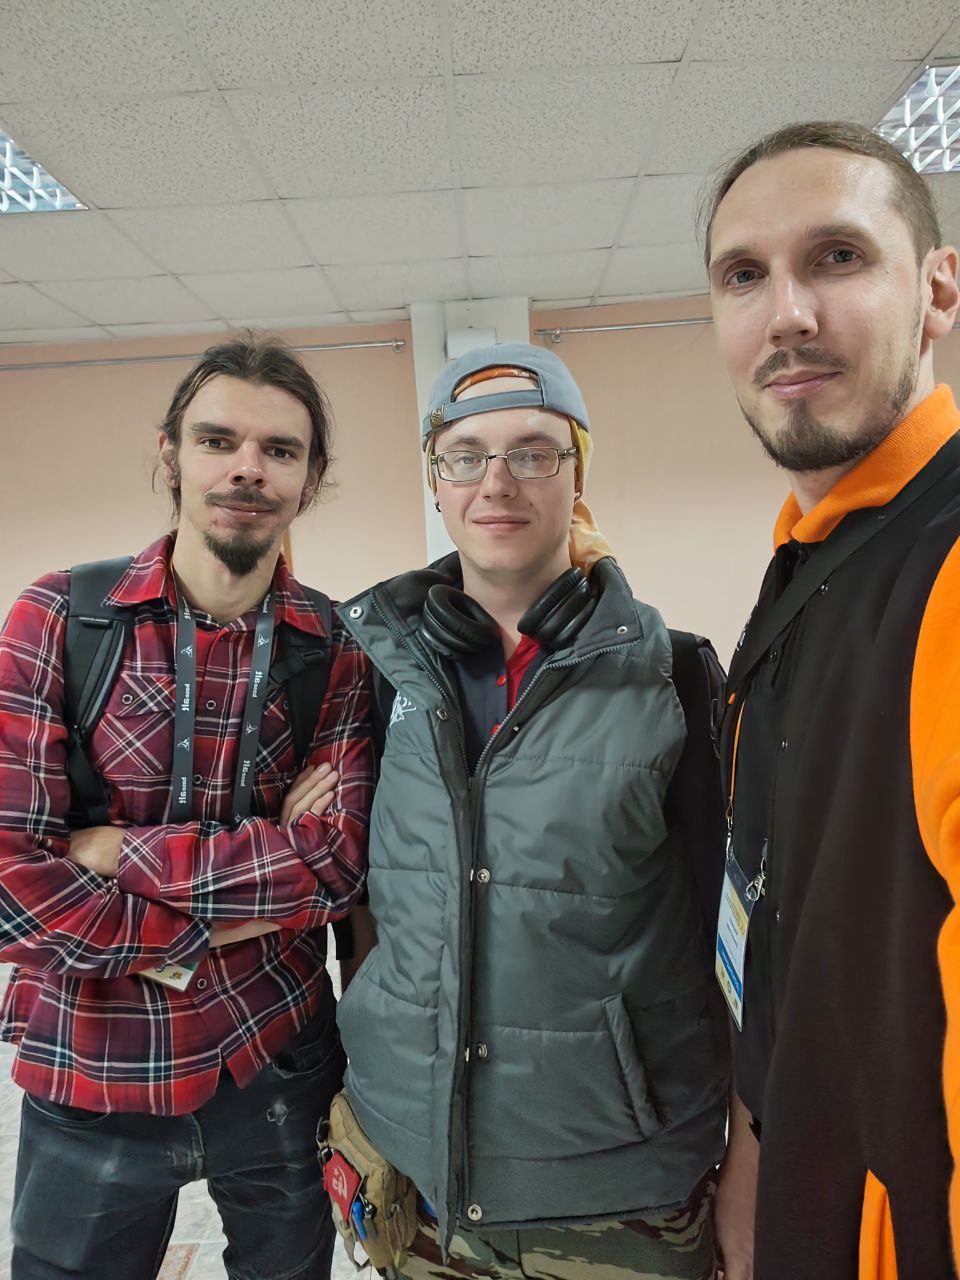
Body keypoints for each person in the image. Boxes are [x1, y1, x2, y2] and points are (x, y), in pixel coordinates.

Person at [334, 341, 736, 1280]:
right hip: (419, 1184)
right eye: (465, 456)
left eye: (533, 451)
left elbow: (734, 935)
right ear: (436, 484)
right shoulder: (380, 675)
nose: (497, 481)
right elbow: (365, 906)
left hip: (619, 1196)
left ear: (577, 474)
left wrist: (755, 1151)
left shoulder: (675, 677)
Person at [0, 335, 374, 1280]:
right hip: (91, 1067)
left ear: (310, 478)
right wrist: (235, 902)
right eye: (218, 441)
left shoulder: (336, 646)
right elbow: (12, 882)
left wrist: (112, 851)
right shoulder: (59, 618)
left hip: (277, 1058)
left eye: (280, 450)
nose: (248, 468)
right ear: (171, 455)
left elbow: (336, 865)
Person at [702, 120, 960, 1278]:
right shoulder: (814, 557)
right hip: (806, 1178)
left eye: (838, 257)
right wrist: (756, 1147)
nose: (787, 314)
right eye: (744, 275)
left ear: (937, 290)